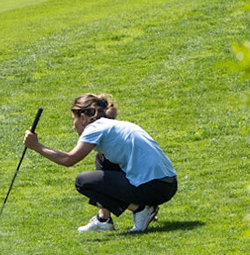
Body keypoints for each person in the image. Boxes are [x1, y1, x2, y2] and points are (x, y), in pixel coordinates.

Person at [23, 93, 177, 233]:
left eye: (74, 120)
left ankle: (141, 209)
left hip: (154, 187)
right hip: (167, 185)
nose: (73, 126)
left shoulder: (94, 128)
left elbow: (69, 160)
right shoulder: (111, 125)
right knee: (102, 158)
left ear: (83, 117)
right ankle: (104, 219)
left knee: (83, 182)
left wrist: (36, 146)